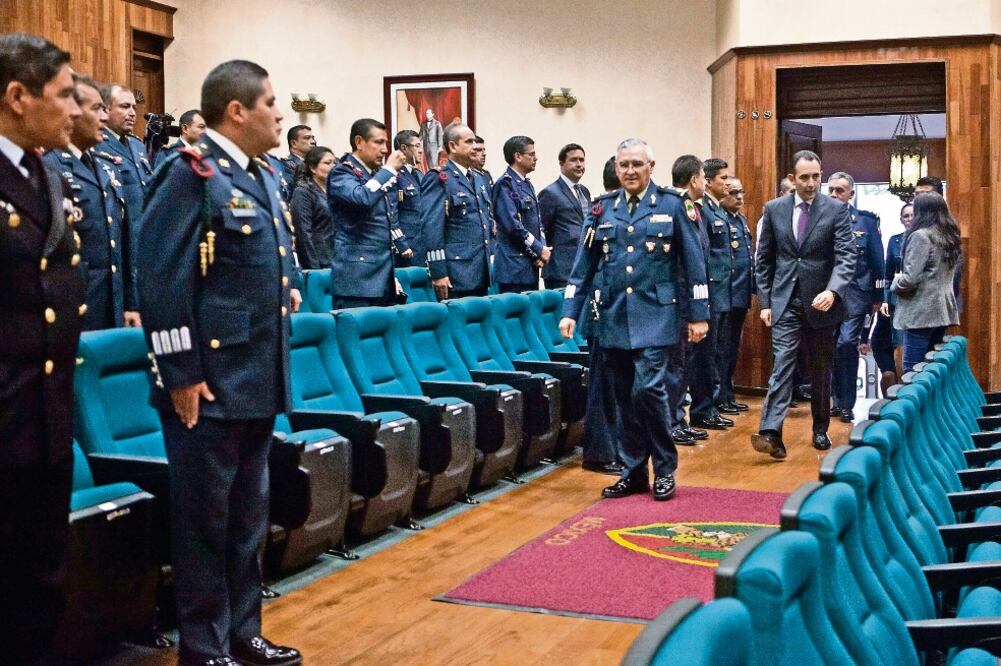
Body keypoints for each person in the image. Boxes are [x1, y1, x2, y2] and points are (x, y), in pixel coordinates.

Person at [139, 58, 302, 666]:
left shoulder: (255, 175)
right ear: (238, 110)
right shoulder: (189, 172)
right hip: (207, 381)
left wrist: (283, 285)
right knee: (203, 524)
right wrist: (180, 374)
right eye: (271, 102)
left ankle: (243, 634)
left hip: (256, 374)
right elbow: (161, 280)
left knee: (246, 519)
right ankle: (203, 647)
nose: (280, 114)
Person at [560, 138, 710, 501]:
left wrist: (699, 316)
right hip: (614, 317)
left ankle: (664, 467)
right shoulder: (602, 208)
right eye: (623, 165)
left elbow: (694, 264)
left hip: (658, 316)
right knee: (624, 396)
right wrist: (570, 312)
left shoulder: (674, 206)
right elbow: (583, 267)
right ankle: (633, 472)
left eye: (636, 165)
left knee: (649, 390)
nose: (629, 171)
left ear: (651, 167)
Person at [0, 33, 83, 664]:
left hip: (45, 412)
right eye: (62, 96)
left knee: (41, 579)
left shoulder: (43, 170)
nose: (76, 109)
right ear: (17, 97)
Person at [752, 150, 855, 459]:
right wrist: (766, 302)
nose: (811, 183)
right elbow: (764, 260)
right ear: (791, 179)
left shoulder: (835, 210)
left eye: (816, 176)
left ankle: (820, 427)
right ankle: (771, 431)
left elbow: (847, 256)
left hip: (822, 303)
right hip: (786, 301)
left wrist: (834, 291)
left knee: (821, 370)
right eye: (805, 177)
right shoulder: (774, 210)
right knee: (783, 363)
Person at [44, 73, 136, 330]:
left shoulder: (106, 168)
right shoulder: (50, 168)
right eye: (97, 109)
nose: (105, 118)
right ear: (71, 113)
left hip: (112, 307)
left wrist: (130, 302)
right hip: (75, 313)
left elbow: (121, 243)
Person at [327, 118, 410, 308]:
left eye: (386, 143)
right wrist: (389, 170)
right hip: (356, 282)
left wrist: (390, 277)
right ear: (359, 142)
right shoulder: (342, 173)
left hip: (380, 279)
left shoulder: (373, 175)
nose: (384, 149)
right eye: (378, 142)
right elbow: (362, 198)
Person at [826, 172, 884, 423]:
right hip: (826, 294)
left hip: (856, 293)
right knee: (828, 347)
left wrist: (878, 295)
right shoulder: (818, 219)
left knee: (846, 344)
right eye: (830, 190)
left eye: (840, 190)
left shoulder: (865, 222)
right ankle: (835, 400)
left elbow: (877, 259)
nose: (834, 195)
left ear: (851, 193)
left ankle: (847, 403)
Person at [579, 155, 623, 476]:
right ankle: (598, 453)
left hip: (625, 311)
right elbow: (587, 267)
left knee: (621, 385)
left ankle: (619, 448)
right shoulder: (601, 210)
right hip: (602, 307)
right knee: (602, 385)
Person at [97, 83, 150, 328]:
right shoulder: (98, 146)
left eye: (134, 107)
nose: (132, 113)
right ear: (105, 110)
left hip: (143, 237)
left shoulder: (138, 146)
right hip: (121, 237)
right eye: (125, 106)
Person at [689, 157, 736, 429]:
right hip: (708, 291)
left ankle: (711, 404)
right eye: (723, 179)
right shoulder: (701, 210)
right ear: (707, 181)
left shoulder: (717, 210)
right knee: (704, 356)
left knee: (716, 352)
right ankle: (701, 409)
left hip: (721, 291)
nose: (728, 183)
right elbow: (701, 254)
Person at [422, 123, 493, 299]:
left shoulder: (477, 178)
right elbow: (432, 227)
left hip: (479, 270)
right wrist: (438, 272)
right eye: (469, 142)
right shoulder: (440, 178)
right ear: (453, 146)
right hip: (456, 272)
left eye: (475, 141)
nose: (475, 146)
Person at [891, 192, 961, 373]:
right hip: (942, 311)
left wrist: (895, 282)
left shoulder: (921, 236)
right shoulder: (948, 236)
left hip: (921, 312)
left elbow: (909, 280)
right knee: (930, 370)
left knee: (912, 371)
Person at [669, 155, 712, 445]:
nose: (706, 183)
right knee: (675, 367)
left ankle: (678, 420)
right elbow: (688, 259)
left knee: (682, 366)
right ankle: (673, 422)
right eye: (703, 177)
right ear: (694, 179)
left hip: (687, 299)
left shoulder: (692, 208)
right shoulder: (681, 207)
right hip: (679, 301)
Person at [492, 135, 550, 292]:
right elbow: (513, 226)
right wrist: (539, 249)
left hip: (529, 264)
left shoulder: (527, 184)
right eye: (531, 154)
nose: (535, 158)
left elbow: (537, 223)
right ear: (517, 156)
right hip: (513, 268)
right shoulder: (505, 184)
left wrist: (540, 252)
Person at [718, 177, 752, 413]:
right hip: (725, 295)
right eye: (734, 193)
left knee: (732, 349)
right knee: (721, 350)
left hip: (740, 294)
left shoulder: (741, 220)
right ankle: (719, 397)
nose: (739, 197)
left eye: (741, 192)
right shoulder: (718, 219)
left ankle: (728, 394)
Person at [871, 202, 912, 393]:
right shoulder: (894, 241)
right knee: (898, 345)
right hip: (896, 302)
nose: (910, 219)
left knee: (908, 347)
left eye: (913, 215)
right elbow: (888, 276)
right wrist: (885, 299)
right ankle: (897, 395)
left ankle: (907, 392)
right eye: (906, 216)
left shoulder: (926, 239)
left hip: (917, 302)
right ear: (901, 219)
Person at [539, 142, 589, 289]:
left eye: (582, 160)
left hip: (583, 267)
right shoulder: (550, 193)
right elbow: (540, 227)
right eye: (574, 160)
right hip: (560, 271)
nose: (579, 164)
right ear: (561, 164)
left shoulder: (584, 191)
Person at [290, 145, 335, 269]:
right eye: (327, 163)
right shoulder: (303, 192)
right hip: (318, 261)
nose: (333, 167)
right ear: (313, 168)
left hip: (337, 259)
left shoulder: (334, 191)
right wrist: (313, 267)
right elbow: (303, 232)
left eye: (334, 163)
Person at [392, 129, 426, 266]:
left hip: (422, 243)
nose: (421, 150)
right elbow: (391, 214)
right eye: (417, 146)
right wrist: (401, 243)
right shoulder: (394, 175)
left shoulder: (419, 174)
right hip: (407, 245)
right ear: (404, 148)